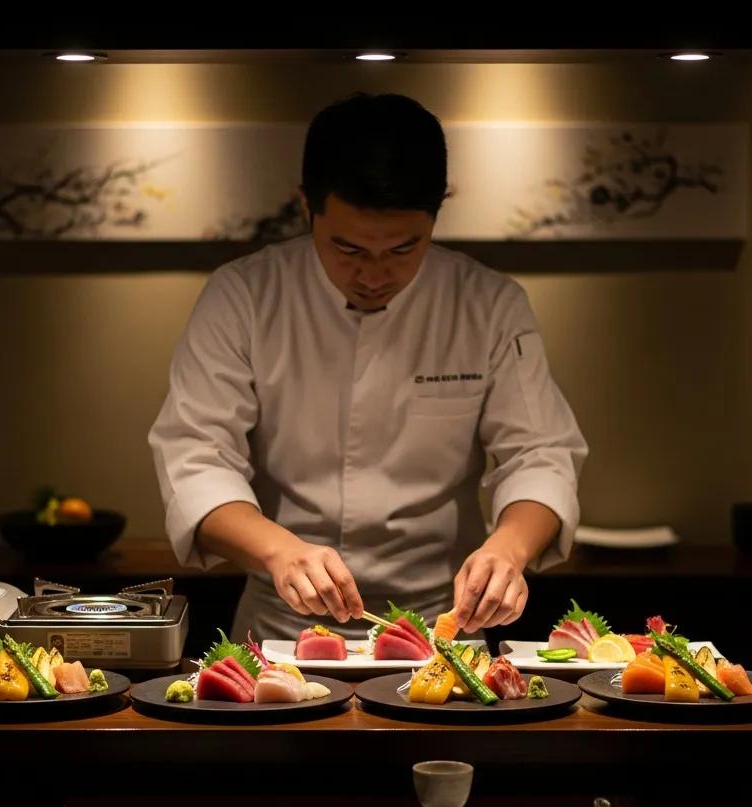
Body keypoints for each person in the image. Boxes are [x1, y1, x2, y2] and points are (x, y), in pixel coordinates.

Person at [149, 92, 587, 643]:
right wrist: (279, 551)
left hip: (444, 622)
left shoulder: (489, 304)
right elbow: (196, 455)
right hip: (284, 620)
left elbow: (539, 453)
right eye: (349, 249)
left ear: (440, 209)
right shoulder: (243, 296)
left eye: (403, 249)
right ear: (307, 205)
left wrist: (508, 549)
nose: (375, 275)